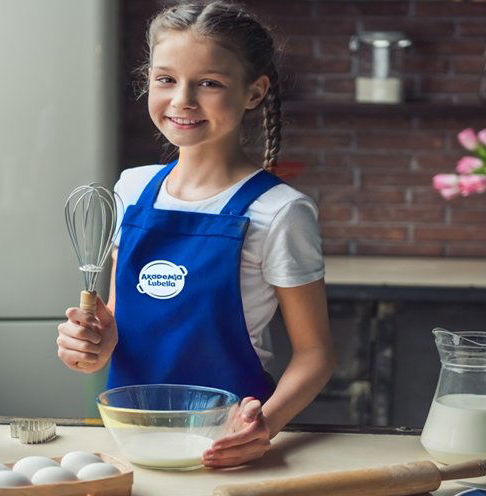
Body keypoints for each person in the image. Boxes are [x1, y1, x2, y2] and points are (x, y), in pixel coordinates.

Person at [56, 0, 334, 468]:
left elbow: (316, 355)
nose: (182, 99)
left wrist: (264, 427)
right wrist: (91, 345)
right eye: (166, 79)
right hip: (127, 437)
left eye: (209, 83)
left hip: (224, 443)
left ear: (254, 92)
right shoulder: (132, 188)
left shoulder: (281, 211)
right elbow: (122, 318)